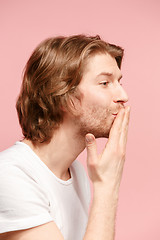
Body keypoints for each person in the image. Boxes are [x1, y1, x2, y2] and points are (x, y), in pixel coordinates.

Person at [0, 34, 130, 240]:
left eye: (119, 82)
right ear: (63, 96)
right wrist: (106, 186)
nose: (123, 96)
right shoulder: (9, 175)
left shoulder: (75, 172)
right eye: (105, 83)